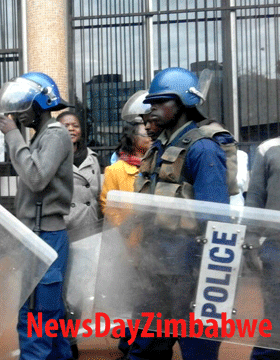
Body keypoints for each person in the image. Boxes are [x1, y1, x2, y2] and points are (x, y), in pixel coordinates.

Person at [130, 67, 234, 360]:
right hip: (156, 266)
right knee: (147, 347)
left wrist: (210, 280)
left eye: (159, 102)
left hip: (189, 271)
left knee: (197, 349)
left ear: (182, 104)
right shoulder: (162, 145)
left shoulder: (202, 148)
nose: (152, 110)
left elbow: (216, 220)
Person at [0, 72, 74, 360]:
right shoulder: (43, 135)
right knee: (49, 321)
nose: (18, 112)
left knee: (37, 320)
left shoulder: (55, 134)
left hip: (47, 236)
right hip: (39, 236)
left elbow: (36, 177)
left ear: (41, 104)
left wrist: (13, 135)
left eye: (23, 105)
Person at [55, 111, 100, 359]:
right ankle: (64, 341)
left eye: (75, 125)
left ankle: (71, 337)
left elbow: (97, 193)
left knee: (81, 289)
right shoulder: (53, 156)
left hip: (88, 228)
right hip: (63, 228)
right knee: (62, 289)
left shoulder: (92, 158)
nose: (71, 129)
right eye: (66, 125)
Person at [245, 137, 280, 360]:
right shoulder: (269, 148)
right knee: (276, 315)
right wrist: (250, 239)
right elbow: (255, 197)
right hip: (277, 246)